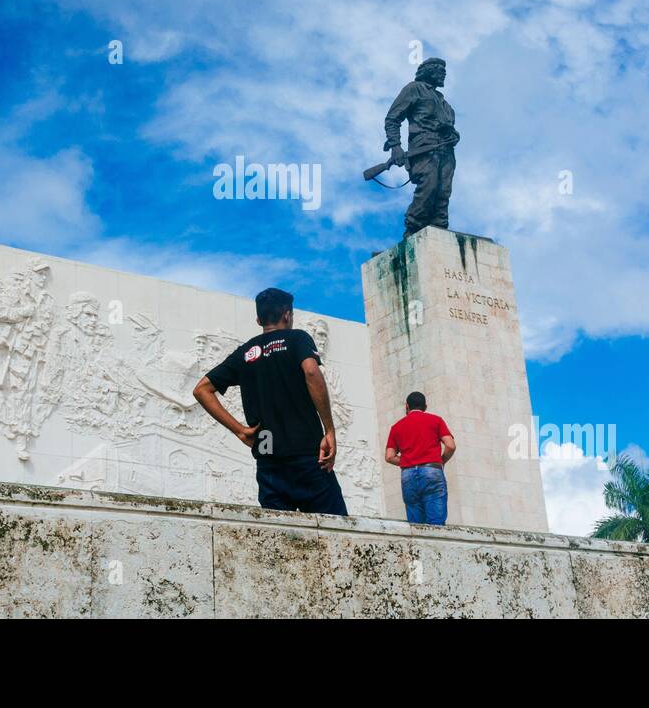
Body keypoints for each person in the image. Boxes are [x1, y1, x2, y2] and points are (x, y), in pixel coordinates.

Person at [192, 287, 347, 516]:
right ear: (287, 315)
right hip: (307, 454)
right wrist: (329, 429)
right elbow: (312, 372)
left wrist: (240, 431)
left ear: (258, 319)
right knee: (335, 532)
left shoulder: (245, 353)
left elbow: (202, 389)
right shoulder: (298, 339)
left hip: (267, 456)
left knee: (280, 537)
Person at [383, 57, 460, 237]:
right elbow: (393, 119)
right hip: (424, 149)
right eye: (440, 72)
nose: (443, 76)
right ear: (429, 71)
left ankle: (440, 232)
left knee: (443, 192)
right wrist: (395, 146)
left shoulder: (444, 102)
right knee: (428, 187)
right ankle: (412, 231)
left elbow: (448, 127)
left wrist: (453, 134)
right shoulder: (414, 89)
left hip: (446, 151)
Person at [385, 391, 456, 525]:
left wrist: (407, 460)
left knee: (416, 526)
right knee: (436, 524)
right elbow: (450, 446)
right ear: (425, 406)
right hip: (431, 472)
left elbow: (389, 456)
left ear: (407, 406)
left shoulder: (396, 427)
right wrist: (442, 460)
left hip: (408, 475)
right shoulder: (436, 420)